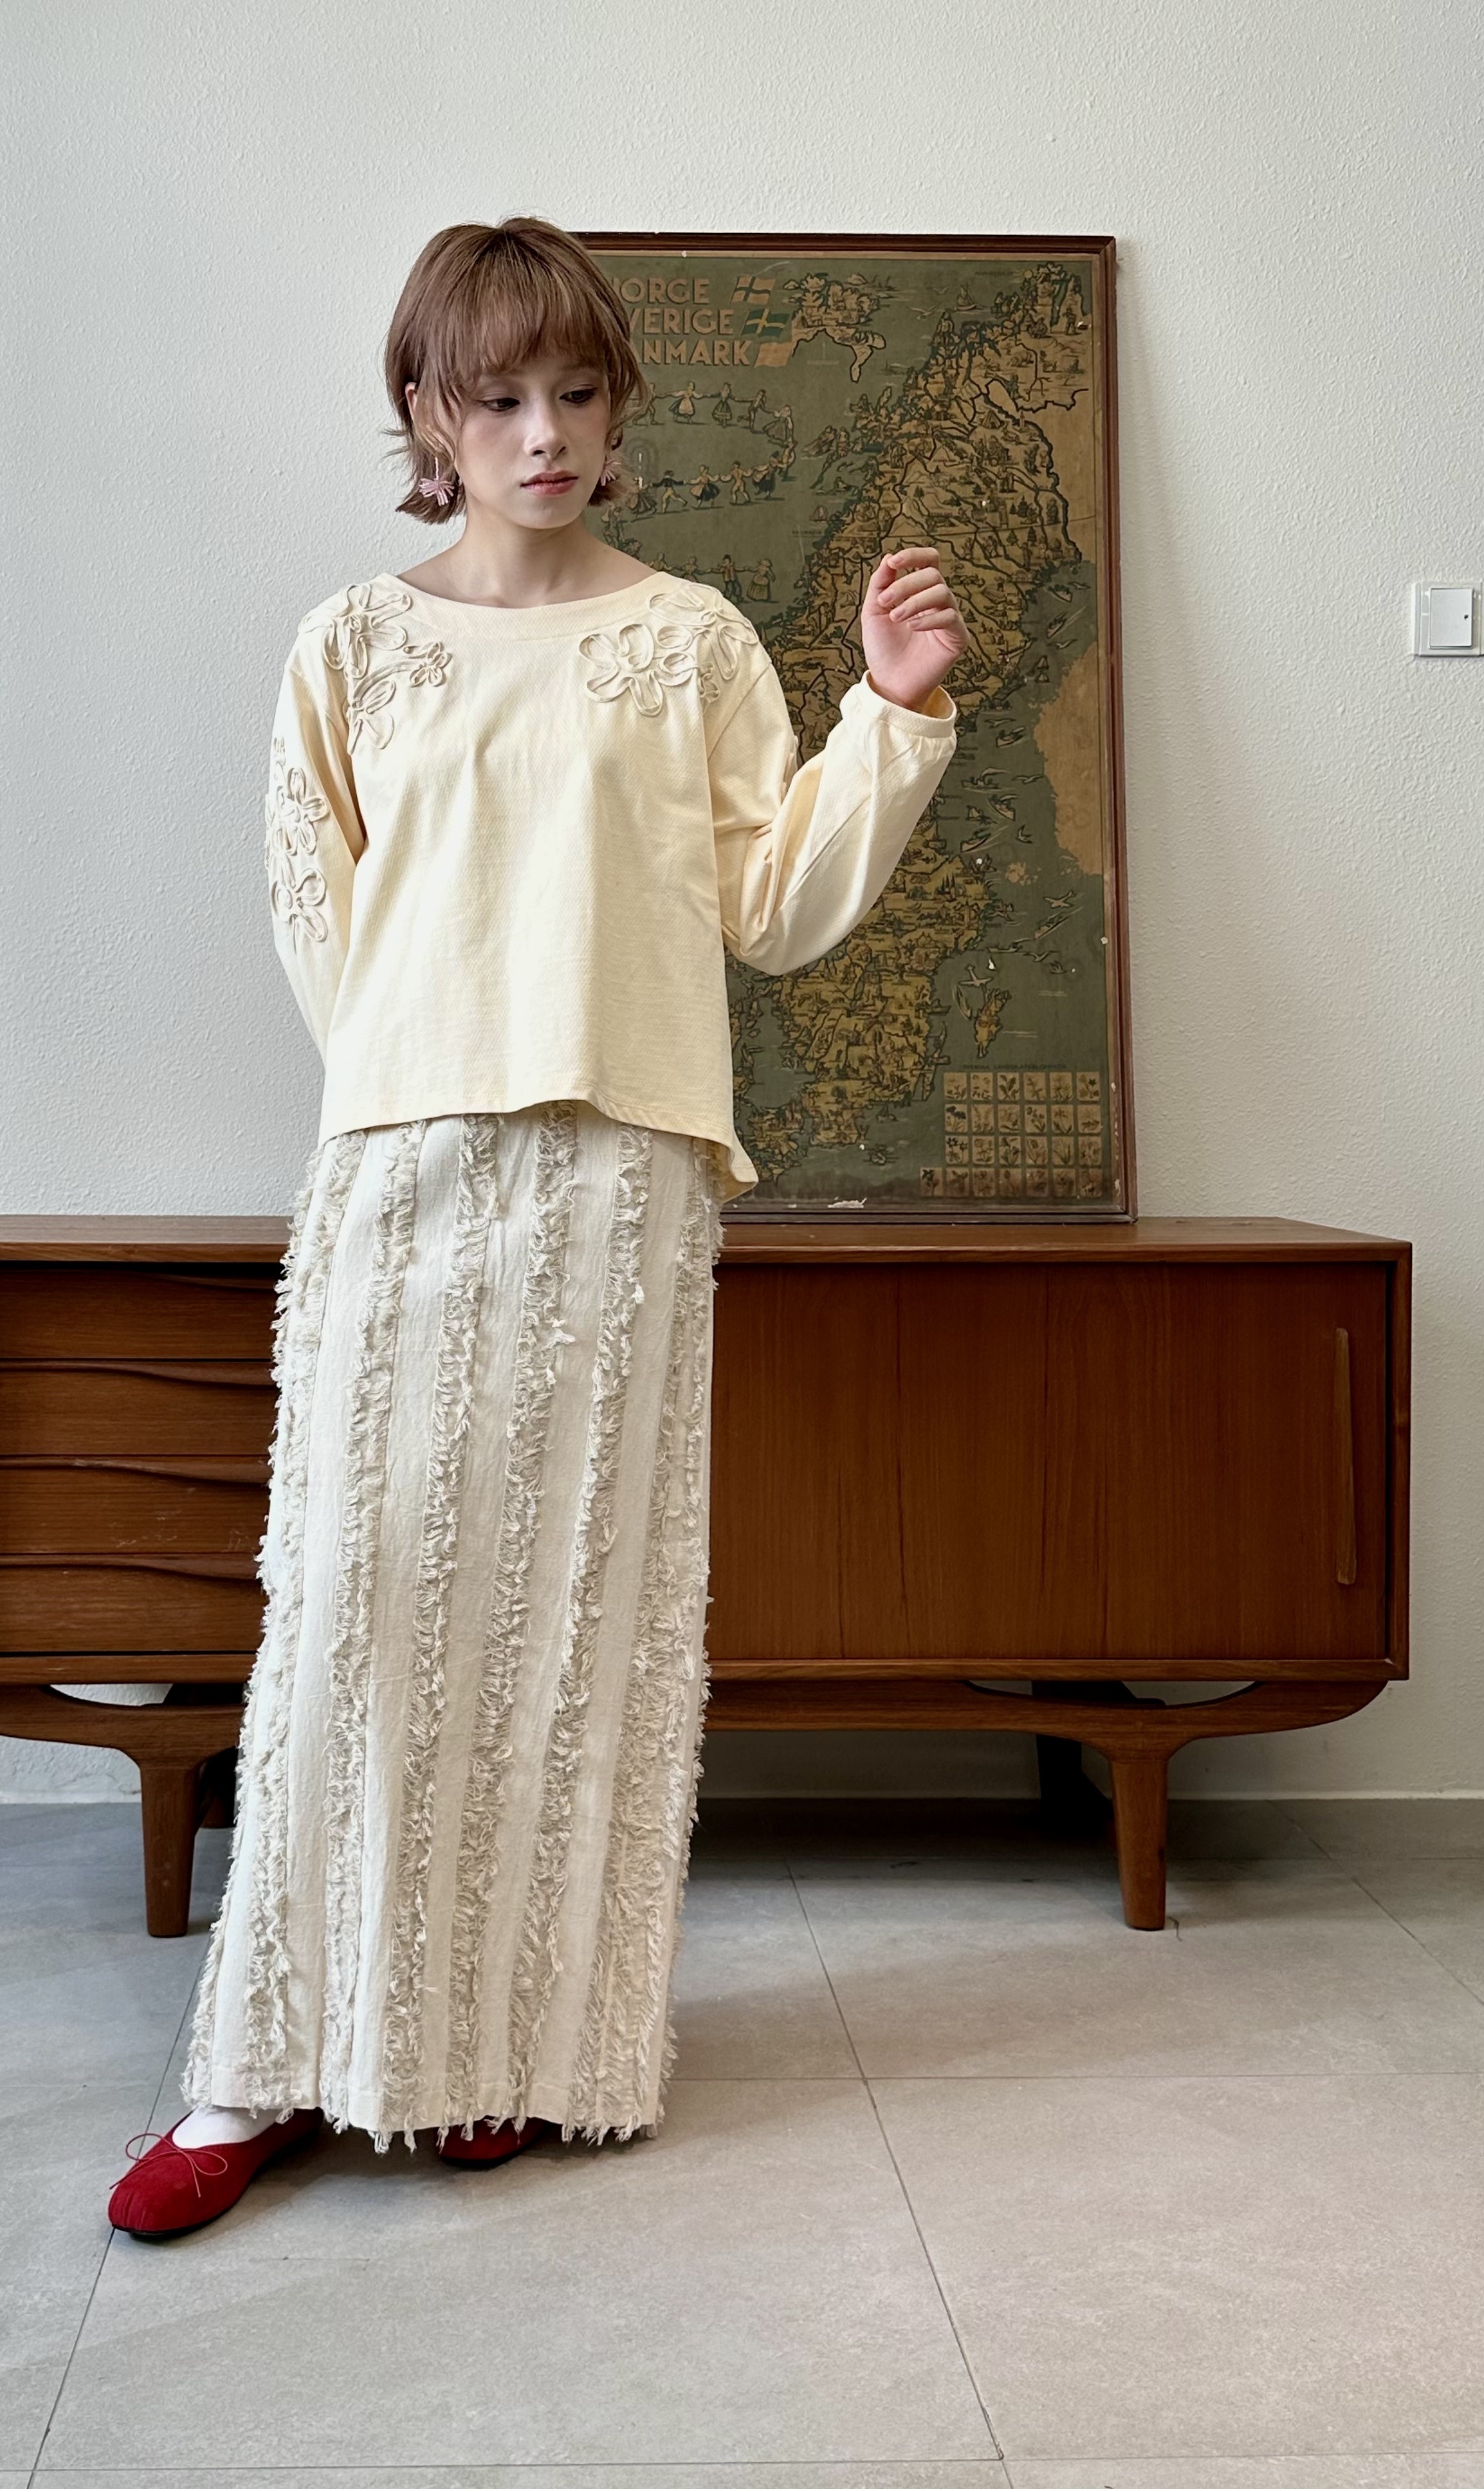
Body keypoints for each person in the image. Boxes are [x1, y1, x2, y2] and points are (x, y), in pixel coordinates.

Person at [107, 215, 968, 2240]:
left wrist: (893, 717)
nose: (546, 432)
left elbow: (776, 910)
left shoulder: (693, 642)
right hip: (405, 1162)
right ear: (427, 413)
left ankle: (499, 2050)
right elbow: (320, 915)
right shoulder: (351, 644)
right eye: (498, 397)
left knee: (573, 1620)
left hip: (623, 1178)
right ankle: (260, 2071)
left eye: (578, 392)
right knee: (350, 1609)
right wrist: (426, 1078)